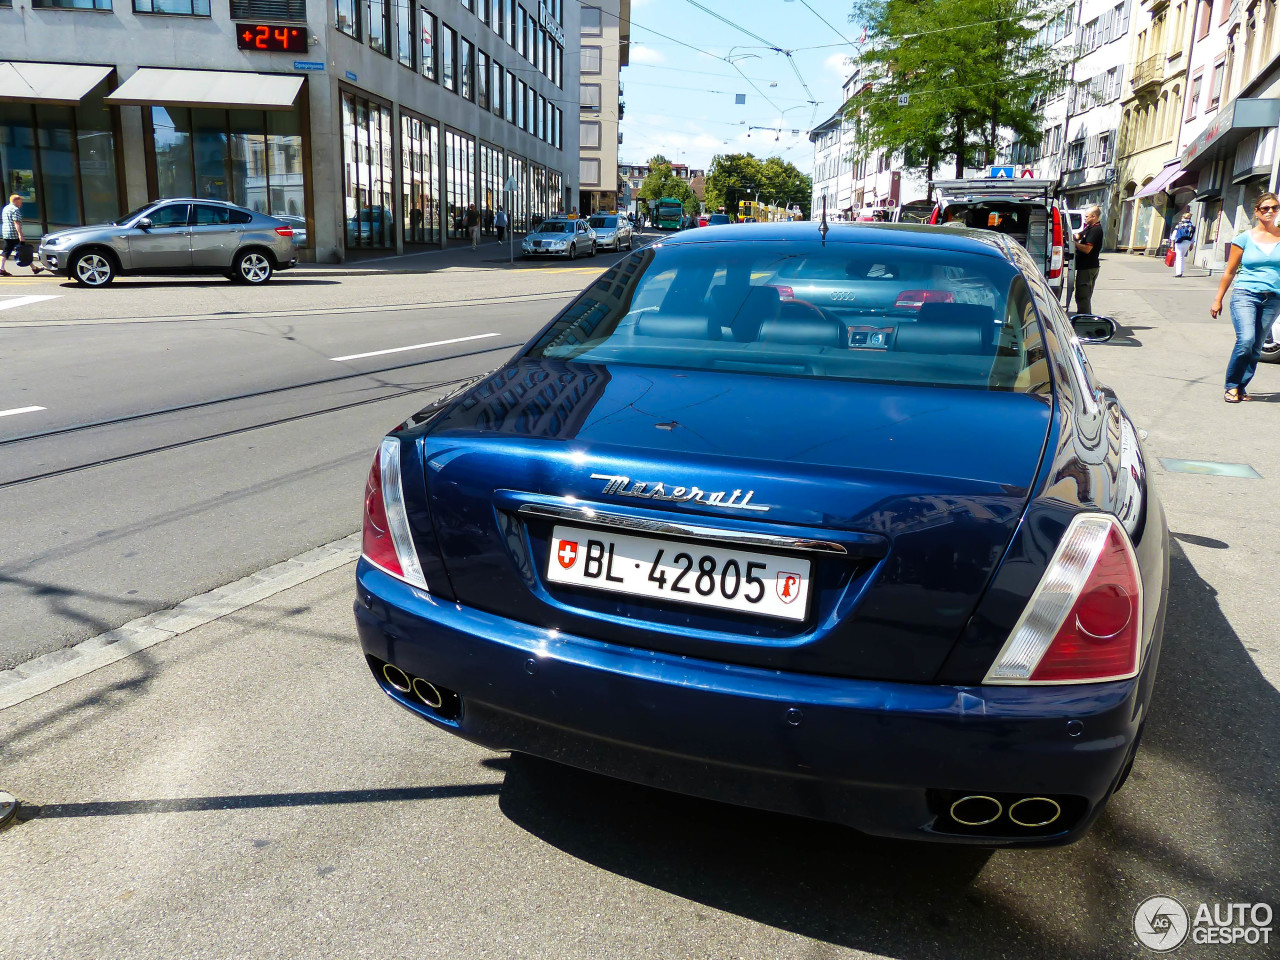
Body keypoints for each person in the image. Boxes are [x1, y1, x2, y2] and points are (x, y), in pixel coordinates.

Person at [1210, 192, 1280, 403]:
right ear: (1257, 211)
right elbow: (1230, 271)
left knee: (1257, 346)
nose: (1270, 211)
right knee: (1246, 340)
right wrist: (1218, 299)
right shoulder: (1244, 238)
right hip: (1245, 294)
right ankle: (1231, 385)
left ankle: (1241, 387)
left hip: (1274, 298)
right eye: (1265, 208)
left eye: (1275, 208)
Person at [1, 194, 43, 277]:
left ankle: (34, 268)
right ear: (16, 201)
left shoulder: (6, 208)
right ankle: (34, 268)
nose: (21, 204)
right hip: (14, 234)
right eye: (20, 202)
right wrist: (21, 235)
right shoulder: (15, 209)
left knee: (11, 250)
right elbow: (17, 223)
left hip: (6, 232)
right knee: (23, 250)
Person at [1073, 205, 1104, 314]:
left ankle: (1084, 320)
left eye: (1087, 216)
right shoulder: (1089, 227)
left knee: (1083, 296)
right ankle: (1082, 316)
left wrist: (1074, 244)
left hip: (1088, 267)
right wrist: (1068, 235)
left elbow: (1087, 249)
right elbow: (1079, 235)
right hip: (1084, 267)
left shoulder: (1096, 230)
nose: (1085, 218)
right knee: (1080, 295)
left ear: (1094, 217)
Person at [1172, 212, 1195, 278]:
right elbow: (1193, 236)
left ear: (1183, 217)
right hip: (1187, 242)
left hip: (1179, 241)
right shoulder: (1191, 226)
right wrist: (1192, 244)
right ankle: (1181, 271)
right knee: (1182, 256)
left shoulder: (1179, 225)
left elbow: (1174, 235)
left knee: (1179, 257)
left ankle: (1178, 272)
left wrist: (1172, 243)